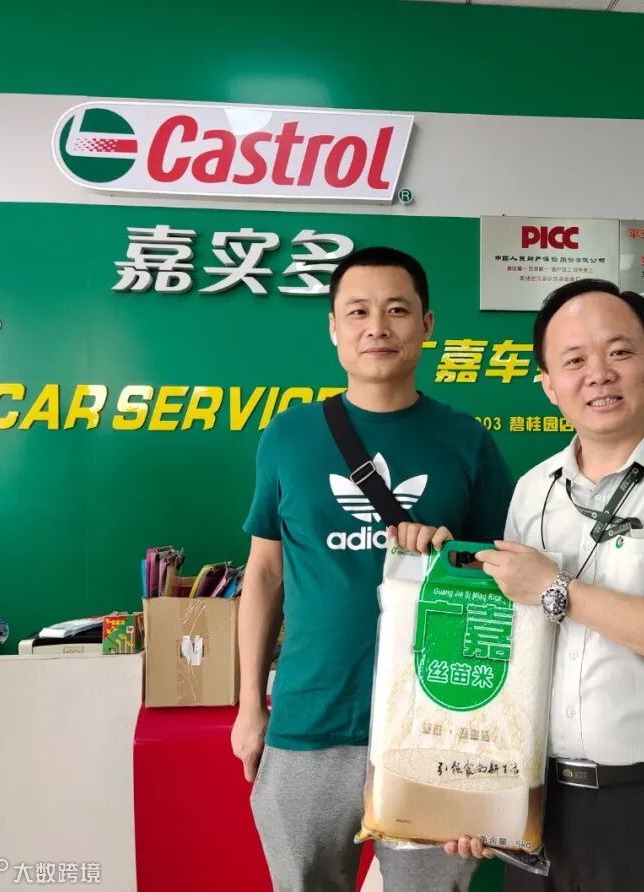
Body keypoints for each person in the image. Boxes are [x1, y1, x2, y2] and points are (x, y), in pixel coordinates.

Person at [446, 279, 644, 892]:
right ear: (548, 384)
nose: (599, 374)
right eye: (574, 360)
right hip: (538, 800)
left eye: (619, 352)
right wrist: (482, 786)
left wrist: (558, 590)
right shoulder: (533, 490)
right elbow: (509, 652)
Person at [231, 246, 514, 892]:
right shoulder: (287, 437)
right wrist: (250, 707)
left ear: (427, 325)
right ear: (333, 327)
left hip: (435, 727)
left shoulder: (466, 441)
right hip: (309, 721)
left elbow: (508, 580)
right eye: (357, 312)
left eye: (397, 311)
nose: (377, 327)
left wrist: (451, 555)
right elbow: (265, 575)